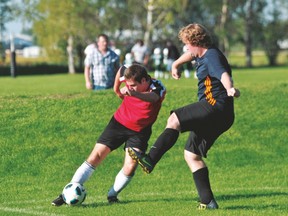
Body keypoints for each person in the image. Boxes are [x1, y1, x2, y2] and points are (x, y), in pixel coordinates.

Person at [128, 23, 240, 210]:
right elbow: (190, 55)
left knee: (174, 120)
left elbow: (223, 74)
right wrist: (176, 63)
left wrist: (230, 89)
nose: (186, 48)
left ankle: (150, 159)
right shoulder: (202, 53)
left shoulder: (212, 56)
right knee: (191, 155)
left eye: (188, 44)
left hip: (215, 106)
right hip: (223, 115)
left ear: (196, 42)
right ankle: (208, 201)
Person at [51, 64, 166, 206]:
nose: (129, 87)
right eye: (128, 85)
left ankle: (112, 195)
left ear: (144, 81)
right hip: (118, 123)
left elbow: (153, 98)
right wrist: (116, 89)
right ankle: (66, 194)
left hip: (140, 131)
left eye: (133, 85)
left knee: (130, 166)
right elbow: (121, 69)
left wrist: (133, 93)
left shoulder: (158, 87)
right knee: (96, 156)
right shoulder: (130, 76)